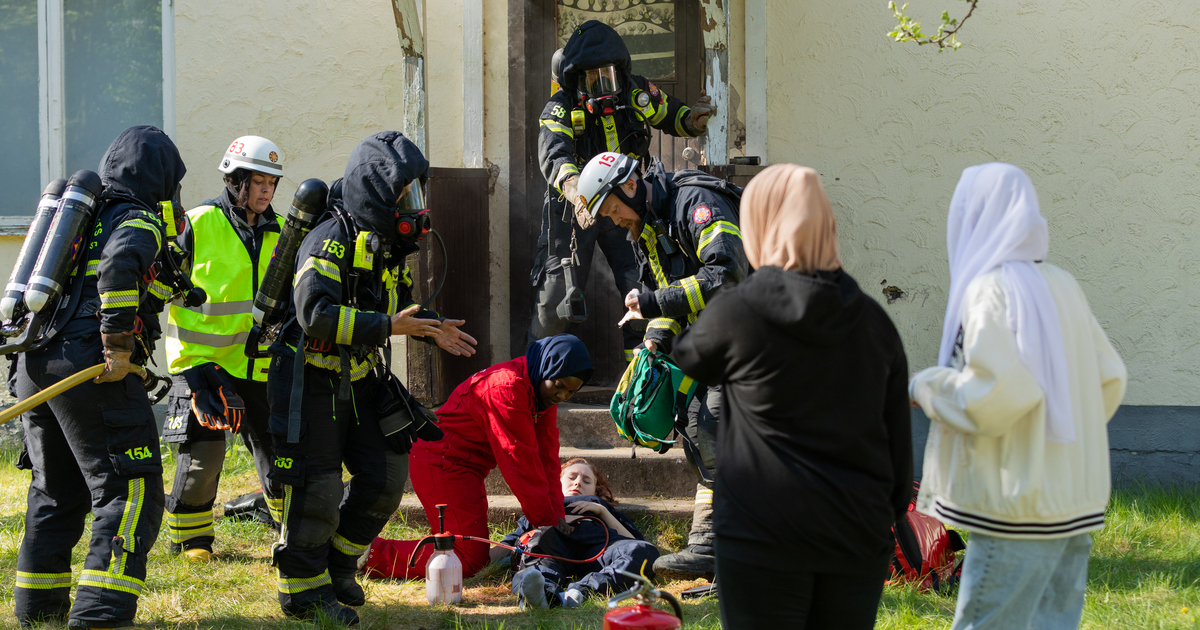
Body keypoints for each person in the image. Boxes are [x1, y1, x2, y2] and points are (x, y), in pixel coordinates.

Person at [670, 164, 912, 629]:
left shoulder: (740, 313)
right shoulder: (873, 323)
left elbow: (688, 355)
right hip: (854, 535)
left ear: (758, 228)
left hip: (762, 533)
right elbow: (898, 445)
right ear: (828, 226)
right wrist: (888, 513)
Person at [268, 131, 477, 625]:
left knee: (386, 476)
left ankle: (339, 565)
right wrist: (390, 327)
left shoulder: (385, 246)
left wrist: (431, 327)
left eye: (418, 195)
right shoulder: (330, 239)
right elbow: (313, 313)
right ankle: (303, 593)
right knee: (315, 488)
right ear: (377, 192)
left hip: (358, 377)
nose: (416, 207)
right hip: (308, 380)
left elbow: (397, 309)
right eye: (408, 196)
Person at [909, 163, 1127, 630]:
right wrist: (1059, 436)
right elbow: (1109, 377)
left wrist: (924, 386)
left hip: (1016, 508)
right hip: (1076, 501)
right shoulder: (1063, 285)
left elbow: (994, 395)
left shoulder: (989, 291)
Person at [12, 126, 186, 629]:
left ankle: (38, 609)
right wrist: (117, 346)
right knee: (130, 492)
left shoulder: (79, 221)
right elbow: (118, 267)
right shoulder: (137, 219)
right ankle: (101, 617)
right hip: (89, 368)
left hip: (35, 364)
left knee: (56, 490)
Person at [574, 151, 748, 581]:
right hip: (720, 341)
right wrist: (654, 340)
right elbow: (672, 292)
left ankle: (742, 553)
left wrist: (652, 303)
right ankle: (711, 547)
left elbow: (727, 275)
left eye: (614, 211)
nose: (616, 222)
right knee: (696, 428)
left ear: (630, 187)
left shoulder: (695, 204)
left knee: (715, 426)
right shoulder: (651, 226)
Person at [529, 20, 716, 362]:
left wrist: (692, 120)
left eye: (609, 75)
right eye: (593, 76)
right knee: (557, 294)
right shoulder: (559, 108)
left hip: (627, 206)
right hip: (574, 213)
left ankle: (646, 373)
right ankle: (539, 378)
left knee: (640, 283)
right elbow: (554, 156)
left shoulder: (633, 91)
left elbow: (669, 113)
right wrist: (577, 195)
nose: (604, 85)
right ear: (575, 77)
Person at [359, 334, 594, 582]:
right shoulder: (506, 388)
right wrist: (547, 526)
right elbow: (520, 464)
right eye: (559, 386)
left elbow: (547, 458)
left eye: (571, 391)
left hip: (467, 467)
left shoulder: (540, 388)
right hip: (441, 462)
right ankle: (366, 554)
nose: (562, 396)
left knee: (469, 553)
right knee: (467, 559)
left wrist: (557, 518)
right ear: (548, 367)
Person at [161, 135, 286, 561]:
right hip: (203, 366)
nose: (267, 190)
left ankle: (291, 533)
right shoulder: (196, 225)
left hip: (261, 368)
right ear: (234, 181)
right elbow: (159, 290)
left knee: (279, 454)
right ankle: (192, 541)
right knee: (203, 456)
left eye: (272, 182)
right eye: (258, 181)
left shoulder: (283, 233)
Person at [509, 458, 659, 610]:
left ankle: (578, 592)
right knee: (535, 562)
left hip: (599, 546)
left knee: (645, 552)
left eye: (587, 481)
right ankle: (543, 594)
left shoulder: (602, 506)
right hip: (553, 544)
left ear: (596, 491)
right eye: (572, 477)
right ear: (557, 482)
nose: (578, 483)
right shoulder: (541, 507)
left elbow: (633, 542)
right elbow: (508, 543)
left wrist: (603, 511)